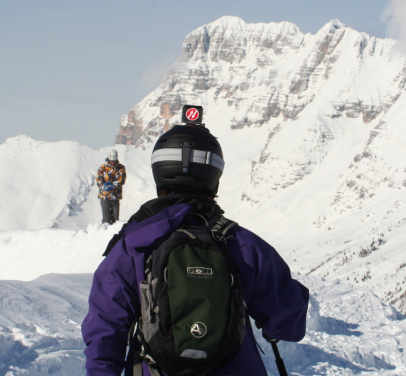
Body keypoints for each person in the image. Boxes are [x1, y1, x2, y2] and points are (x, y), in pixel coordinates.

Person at [82, 107, 309, 375]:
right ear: (214, 176)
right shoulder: (242, 244)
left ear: (159, 172)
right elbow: (290, 324)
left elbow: (105, 329)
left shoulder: (133, 245)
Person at [97, 149, 127, 224]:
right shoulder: (102, 168)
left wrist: (113, 185)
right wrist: (104, 186)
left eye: (114, 160)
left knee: (115, 219)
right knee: (106, 218)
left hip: (115, 196)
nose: (113, 162)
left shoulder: (121, 168)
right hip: (104, 196)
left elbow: (121, 180)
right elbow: (99, 180)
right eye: (111, 160)